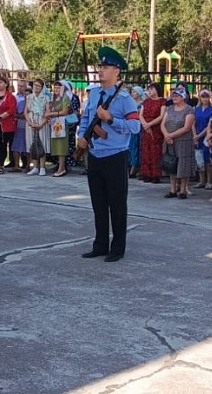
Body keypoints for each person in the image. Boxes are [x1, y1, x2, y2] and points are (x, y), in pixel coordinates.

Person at [78, 47, 141, 262]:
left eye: (105, 67)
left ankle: (117, 248)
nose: (101, 71)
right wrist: (81, 135)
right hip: (95, 154)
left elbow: (135, 126)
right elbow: (86, 118)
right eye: (100, 67)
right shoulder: (94, 94)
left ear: (117, 71)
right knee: (98, 204)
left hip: (115, 156)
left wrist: (111, 119)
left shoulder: (124, 99)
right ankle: (100, 244)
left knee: (117, 204)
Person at [161, 86, 196, 199]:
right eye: (173, 95)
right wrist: (167, 136)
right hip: (170, 141)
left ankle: (183, 190)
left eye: (177, 95)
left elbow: (187, 127)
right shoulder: (169, 108)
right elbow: (163, 124)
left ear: (183, 97)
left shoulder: (189, 109)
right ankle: (172, 189)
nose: (174, 97)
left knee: (183, 165)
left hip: (183, 141)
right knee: (171, 164)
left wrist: (171, 135)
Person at [140, 83, 167, 183]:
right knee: (146, 150)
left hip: (156, 129)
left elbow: (161, 116)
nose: (150, 91)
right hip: (146, 128)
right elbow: (140, 115)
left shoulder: (162, 102)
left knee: (156, 151)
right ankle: (146, 173)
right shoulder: (146, 102)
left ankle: (156, 174)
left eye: (152, 89)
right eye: (149, 89)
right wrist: (145, 125)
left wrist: (150, 124)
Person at [45, 80, 72, 177]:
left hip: (62, 123)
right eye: (55, 87)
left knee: (61, 145)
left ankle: (61, 167)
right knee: (56, 145)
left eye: (59, 87)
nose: (56, 89)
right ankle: (60, 166)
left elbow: (65, 111)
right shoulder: (53, 98)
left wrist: (51, 114)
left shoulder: (65, 98)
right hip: (54, 124)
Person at [25, 79, 50, 176]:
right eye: (35, 85)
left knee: (42, 143)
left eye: (38, 86)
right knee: (33, 143)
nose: (36, 87)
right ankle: (35, 166)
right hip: (31, 121)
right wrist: (30, 122)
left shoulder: (46, 98)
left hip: (42, 121)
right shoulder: (29, 97)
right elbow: (26, 111)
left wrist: (41, 124)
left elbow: (47, 112)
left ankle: (42, 167)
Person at [192, 89, 212, 189]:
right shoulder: (196, 109)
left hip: (206, 136)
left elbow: (209, 125)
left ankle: (209, 181)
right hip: (197, 136)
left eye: (206, 97)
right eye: (202, 97)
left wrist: (200, 135)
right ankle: (201, 180)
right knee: (199, 159)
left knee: (208, 159)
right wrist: (195, 135)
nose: (204, 99)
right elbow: (192, 123)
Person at [63, 80, 82, 170]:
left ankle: (70, 161)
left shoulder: (74, 97)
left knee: (70, 142)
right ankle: (61, 163)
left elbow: (76, 109)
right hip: (60, 122)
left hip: (71, 122)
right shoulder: (60, 97)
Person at [11, 80, 29, 172]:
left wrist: (17, 115)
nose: (20, 87)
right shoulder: (14, 96)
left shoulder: (29, 97)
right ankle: (16, 165)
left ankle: (27, 165)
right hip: (16, 124)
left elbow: (24, 114)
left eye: (22, 86)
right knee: (16, 144)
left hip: (27, 123)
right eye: (19, 86)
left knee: (27, 144)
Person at [128, 85, 145, 178]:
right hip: (130, 126)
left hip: (139, 126)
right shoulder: (130, 103)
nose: (132, 93)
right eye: (132, 92)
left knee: (138, 146)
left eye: (134, 92)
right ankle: (131, 165)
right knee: (131, 147)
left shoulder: (143, 103)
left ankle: (135, 168)